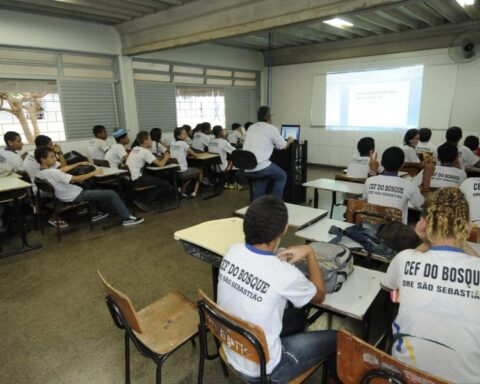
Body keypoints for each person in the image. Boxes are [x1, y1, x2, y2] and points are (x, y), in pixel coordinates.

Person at [217, 196, 338, 383]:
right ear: (284, 229)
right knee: (337, 337)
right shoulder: (285, 274)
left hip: (231, 347)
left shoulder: (232, 251)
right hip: (265, 371)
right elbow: (320, 295)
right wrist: (309, 252)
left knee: (297, 316)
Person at [382, 188, 480, 383]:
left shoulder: (404, 259)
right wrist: (462, 242)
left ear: (423, 224)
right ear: (468, 227)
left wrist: (426, 241)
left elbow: (389, 287)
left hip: (404, 378)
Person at [35, 146, 143, 227]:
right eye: (52, 157)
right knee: (111, 193)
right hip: (76, 196)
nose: (55, 159)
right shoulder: (53, 173)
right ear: (43, 159)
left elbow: (62, 169)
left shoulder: (40, 173)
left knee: (89, 186)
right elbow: (78, 179)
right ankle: (127, 218)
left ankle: (95, 213)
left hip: (65, 195)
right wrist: (95, 172)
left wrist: (78, 164)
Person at [365, 147, 429, 224]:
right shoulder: (409, 186)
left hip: (370, 228)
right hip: (395, 232)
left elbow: (364, 198)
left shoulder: (369, 181)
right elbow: (422, 204)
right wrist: (426, 180)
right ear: (402, 165)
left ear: (381, 163)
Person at [243, 106, 292, 199]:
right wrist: (289, 140)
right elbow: (283, 146)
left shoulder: (251, 127)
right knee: (282, 176)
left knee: (265, 176)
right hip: (260, 165)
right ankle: (275, 203)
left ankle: (256, 201)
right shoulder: (271, 128)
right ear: (269, 117)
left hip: (247, 166)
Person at [125, 131, 171, 211]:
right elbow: (161, 164)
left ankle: (142, 199)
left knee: (154, 179)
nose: (151, 141)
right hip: (137, 180)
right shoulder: (145, 151)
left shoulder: (135, 148)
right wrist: (166, 157)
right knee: (165, 183)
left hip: (128, 179)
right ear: (145, 141)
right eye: (150, 139)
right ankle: (143, 201)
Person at [170, 127, 203, 198]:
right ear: (178, 136)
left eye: (186, 134)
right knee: (200, 171)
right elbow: (195, 154)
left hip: (174, 171)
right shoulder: (183, 143)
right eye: (184, 134)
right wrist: (199, 154)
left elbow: (181, 153)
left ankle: (181, 188)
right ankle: (194, 192)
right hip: (183, 172)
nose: (186, 136)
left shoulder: (172, 142)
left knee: (192, 172)